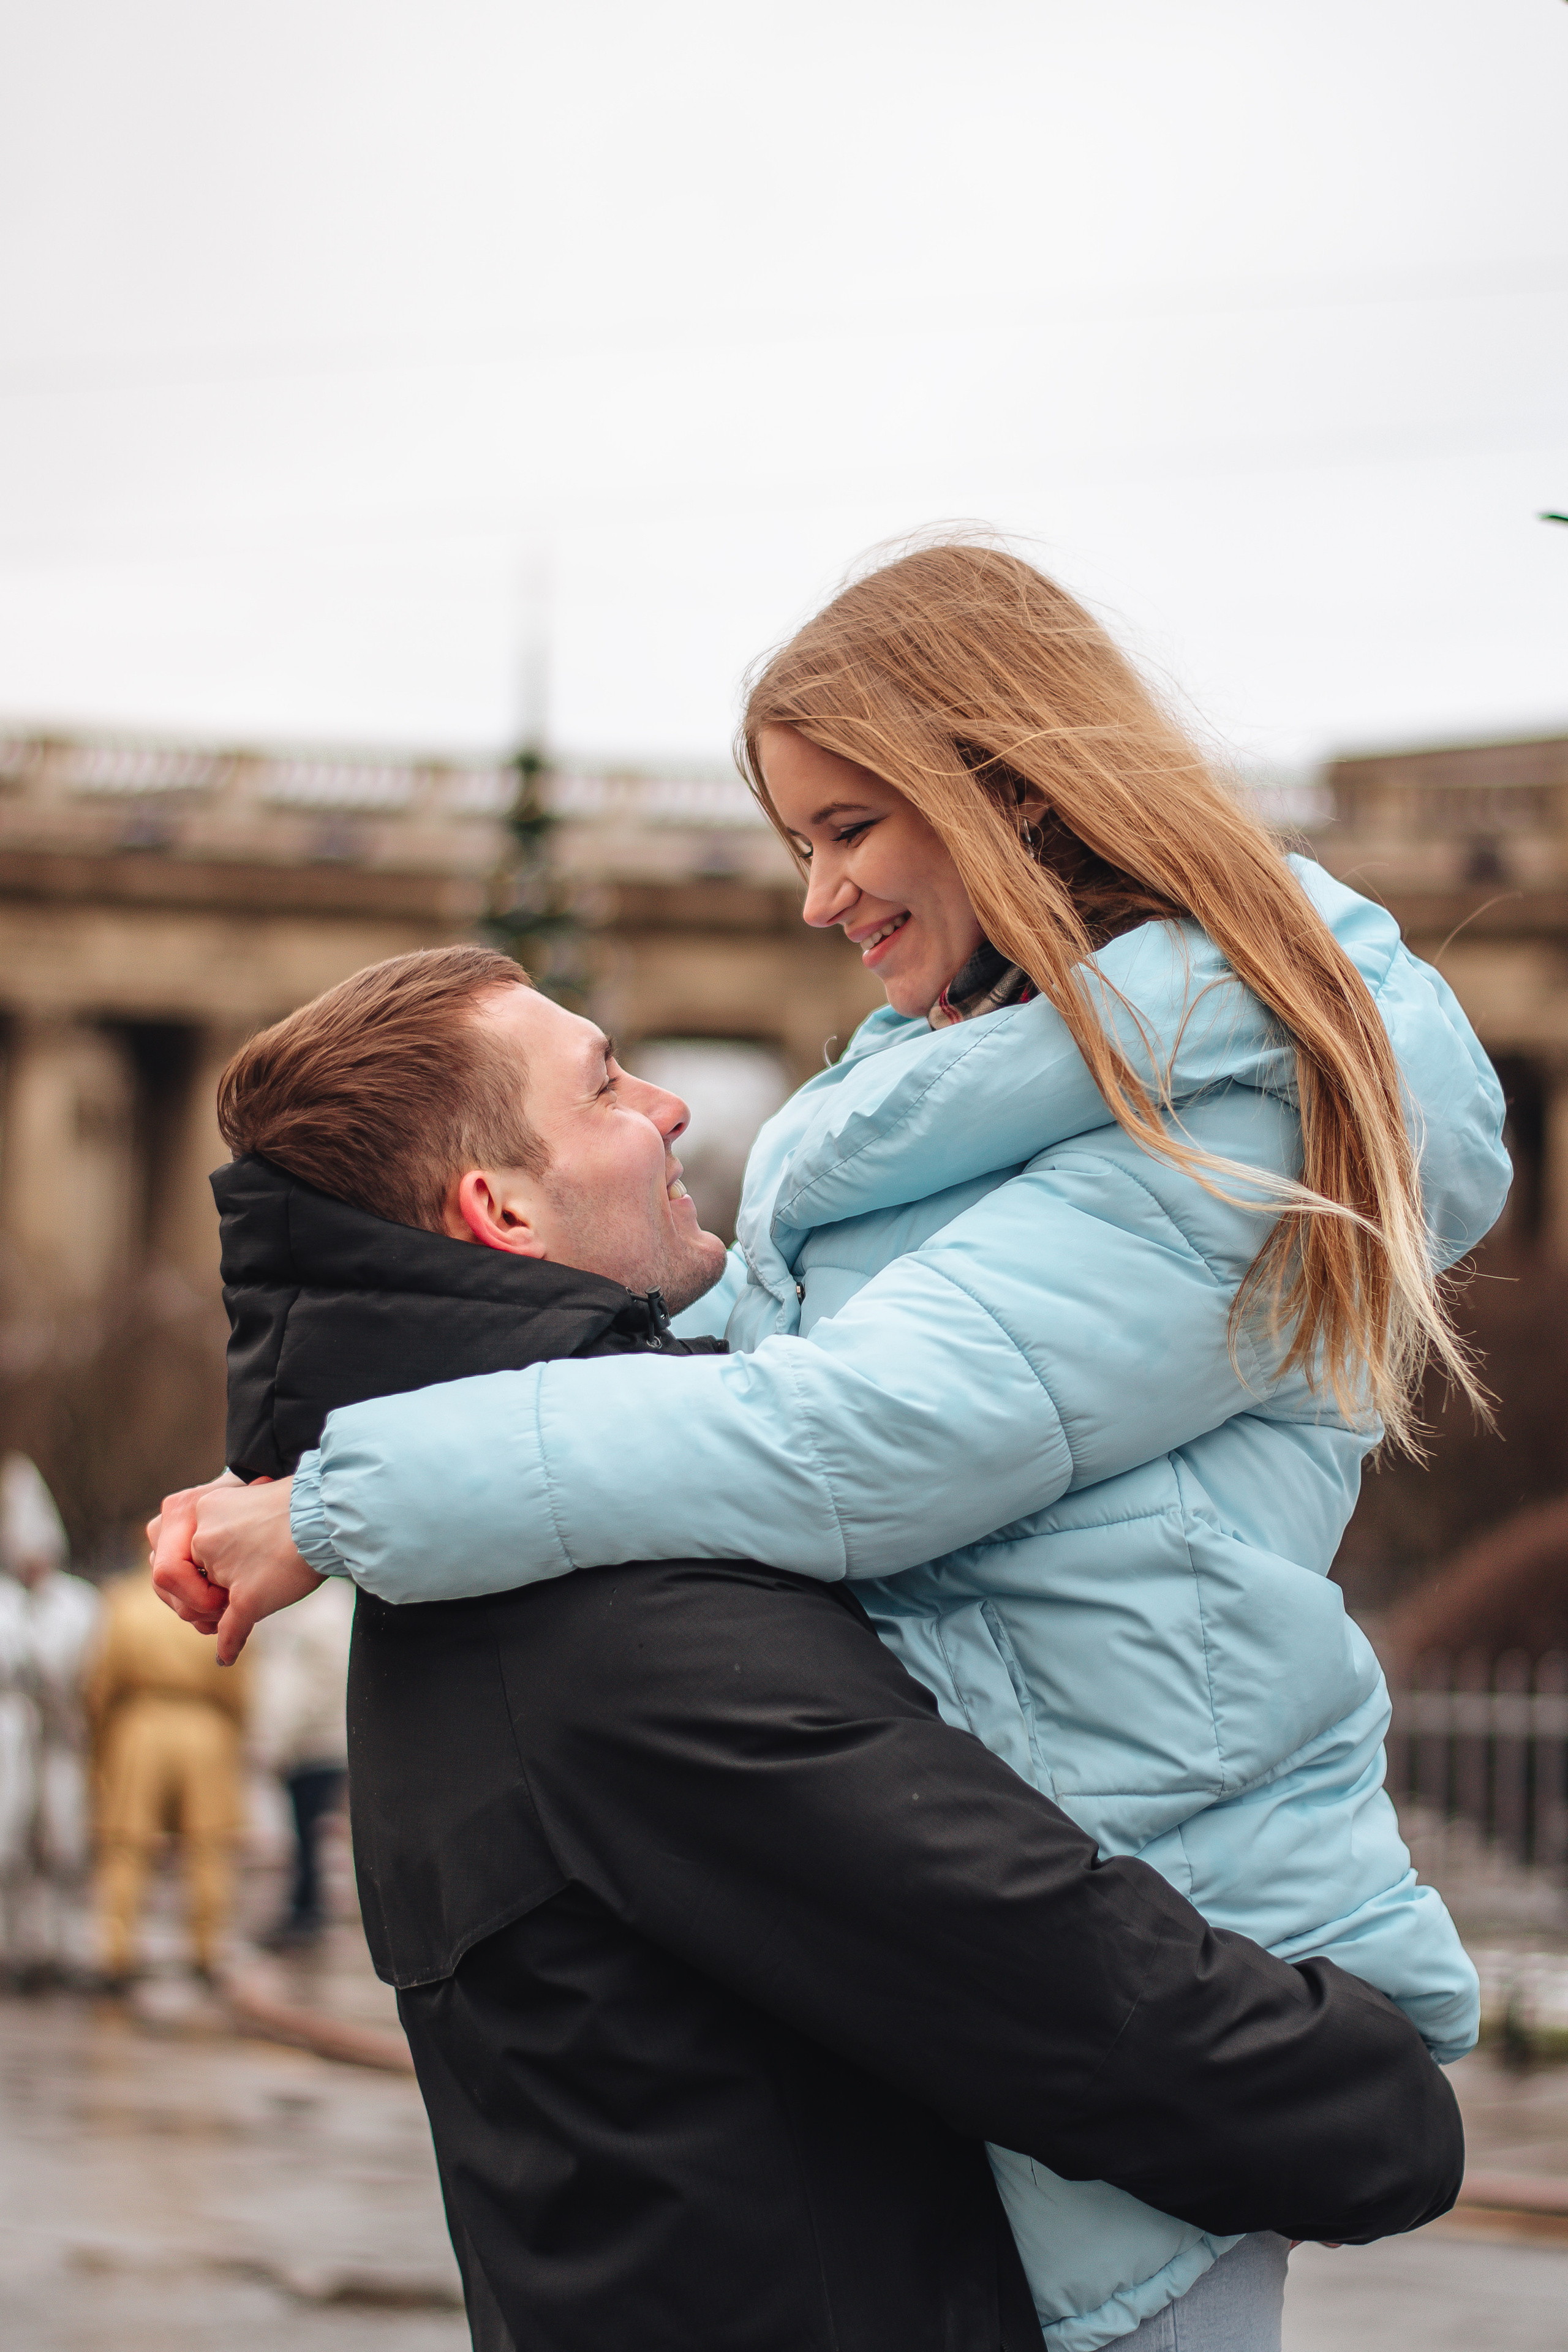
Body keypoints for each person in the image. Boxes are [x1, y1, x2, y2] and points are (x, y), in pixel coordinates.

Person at [153, 945, 1463, 2352]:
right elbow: (1032, 1966)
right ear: (501, 1207)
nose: (669, 1109)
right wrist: (1367, 2098)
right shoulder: (606, 1621)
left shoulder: (496, 1568)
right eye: (603, 1085)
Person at [86, 1559, 250, 1985]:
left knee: (126, 1843)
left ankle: (116, 1950)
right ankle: (207, 1949)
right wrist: (234, 1732)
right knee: (209, 1844)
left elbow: (103, 1679)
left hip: (140, 1724)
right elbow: (239, 1679)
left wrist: (102, 1743)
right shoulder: (218, 1599)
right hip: (205, 1726)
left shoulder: (124, 1601)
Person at [0, 1455, 99, 1985]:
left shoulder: (78, 1605)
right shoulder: (4, 1605)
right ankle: (12, 1946)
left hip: (64, 1738)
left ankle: (66, 1946)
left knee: (66, 1847)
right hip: (11, 1737)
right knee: (7, 1847)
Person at [249, 1577, 352, 1949]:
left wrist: (284, 1736)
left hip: (316, 1741)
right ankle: (304, 1905)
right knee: (303, 1830)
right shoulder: (319, 1607)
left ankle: (307, 1909)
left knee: (308, 1831)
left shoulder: (322, 1612)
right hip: (309, 1739)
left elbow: (316, 1684)